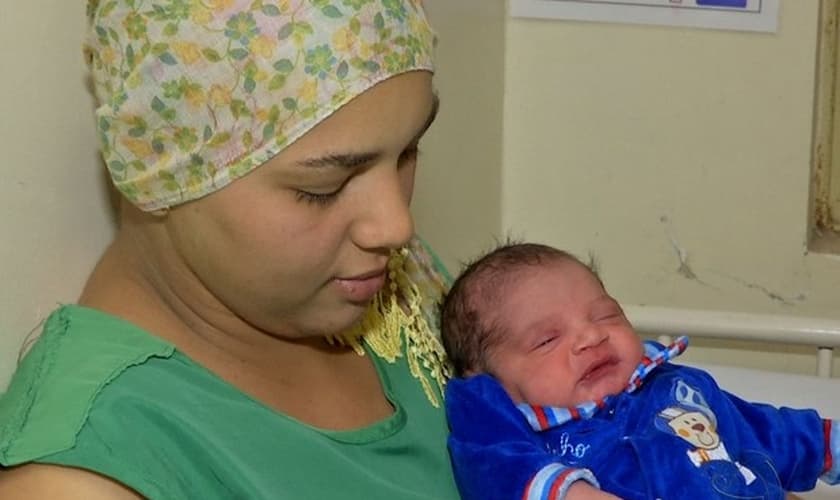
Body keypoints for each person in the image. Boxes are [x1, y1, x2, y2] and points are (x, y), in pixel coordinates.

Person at [0, 1, 460, 498]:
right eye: (324, 186)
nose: (396, 226)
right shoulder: (86, 476)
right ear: (164, 169)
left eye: (408, 152)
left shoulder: (384, 284)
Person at [440, 242, 840, 500]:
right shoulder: (523, 431)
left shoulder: (678, 387)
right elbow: (493, 462)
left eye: (606, 315)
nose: (591, 336)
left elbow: (766, 430)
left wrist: (829, 445)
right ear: (489, 382)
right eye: (547, 340)